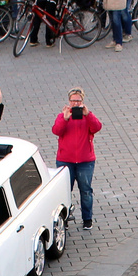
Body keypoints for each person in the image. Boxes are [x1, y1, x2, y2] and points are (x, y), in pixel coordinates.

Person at [52, 89, 102, 228]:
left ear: (82, 102)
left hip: (85, 161)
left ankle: (87, 219)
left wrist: (88, 114)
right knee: (65, 191)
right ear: (69, 102)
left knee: (86, 191)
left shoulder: (87, 117)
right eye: (73, 100)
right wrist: (65, 118)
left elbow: (97, 127)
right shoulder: (62, 116)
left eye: (78, 101)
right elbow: (56, 131)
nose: (75, 103)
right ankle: (65, 218)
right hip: (65, 160)